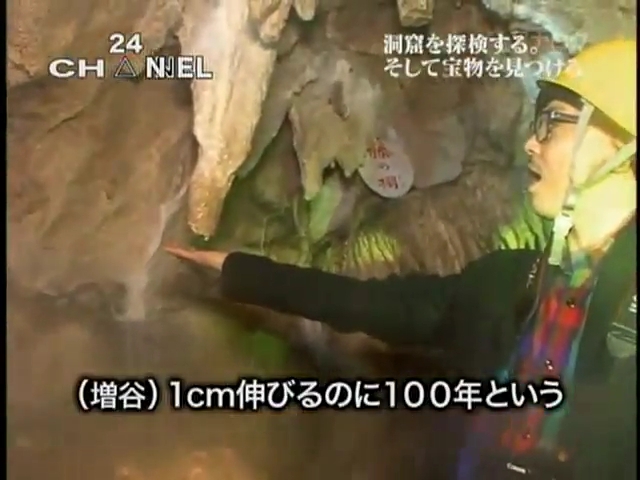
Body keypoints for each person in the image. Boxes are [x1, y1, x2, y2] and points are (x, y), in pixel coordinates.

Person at [165, 39, 637, 480]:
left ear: (623, 147)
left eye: (554, 122)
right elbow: (366, 303)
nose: (532, 144)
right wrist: (241, 271)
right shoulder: (507, 281)